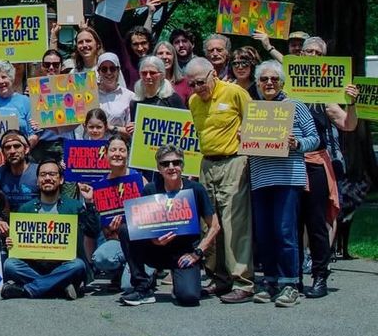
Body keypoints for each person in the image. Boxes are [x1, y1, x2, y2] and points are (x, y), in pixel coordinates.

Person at [248, 61, 319, 307]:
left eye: (274, 79)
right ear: (257, 83)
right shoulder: (253, 110)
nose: (269, 83)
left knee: (285, 232)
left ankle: (290, 284)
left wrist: (297, 144)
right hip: (260, 178)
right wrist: (243, 138)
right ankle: (270, 281)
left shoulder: (295, 105)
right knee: (264, 233)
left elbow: (314, 138)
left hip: (288, 178)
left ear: (282, 82)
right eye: (264, 79)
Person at [185, 56, 253, 303]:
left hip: (234, 160)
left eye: (200, 82)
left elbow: (255, 122)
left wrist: (246, 134)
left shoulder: (235, 93)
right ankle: (218, 277)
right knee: (209, 222)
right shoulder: (193, 101)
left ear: (213, 74)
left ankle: (243, 281)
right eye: (191, 84)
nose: (197, 88)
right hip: (207, 163)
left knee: (234, 222)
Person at [118, 145, 221, 306]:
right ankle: (142, 287)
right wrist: (153, 240)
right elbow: (138, 226)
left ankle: (179, 281)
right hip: (155, 249)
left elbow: (215, 226)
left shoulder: (196, 189)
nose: (171, 167)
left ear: (182, 165)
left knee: (189, 297)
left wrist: (197, 253)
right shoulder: (150, 189)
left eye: (176, 162)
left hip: (184, 254)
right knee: (126, 229)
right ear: (159, 168)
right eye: (165, 164)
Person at [298, 36, 359, 298]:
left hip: (315, 163)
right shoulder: (285, 87)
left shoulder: (327, 96)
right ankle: (291, 277)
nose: (312, 56)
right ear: (300, 55)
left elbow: (348, 124)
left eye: (318, 53)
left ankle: (320, 276)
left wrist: (351, 103)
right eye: (308, 51)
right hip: (287, 164)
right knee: (291, 222)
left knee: (316, 222)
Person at [0, 160, 100, 300]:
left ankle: (27, 290)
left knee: (78, 265)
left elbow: (93, 231)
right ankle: (59, 287)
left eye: (52, 174)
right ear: (37, 181)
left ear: (61, 180)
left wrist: (89, 202)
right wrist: (12, 243)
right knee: (10, 264)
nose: (47, 178)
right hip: (35, 266)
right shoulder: (26, 209)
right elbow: (20, 245)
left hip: (65, 265)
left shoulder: (74, 206)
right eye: (43, 175)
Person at [91, 135, 146, 290]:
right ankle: (119, 269)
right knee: (101, 258)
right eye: (113, 150)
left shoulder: (140, 180)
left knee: (129, 287)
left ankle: (148, 270)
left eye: (122, 150)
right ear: (106, 154)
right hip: (117, 242)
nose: (117, 154)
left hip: (141, 243)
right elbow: (104, 230)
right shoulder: (100, 185)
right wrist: (112, 231)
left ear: (128, 154)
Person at [0, 130, 38, 228]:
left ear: (26, 150)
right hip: (9, 232)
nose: (12, 151)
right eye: (7, 148)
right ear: (3, 153)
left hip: (36, 228)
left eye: (17, 146)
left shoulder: (39, 172)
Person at [0, 60, 39, 149]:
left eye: (4, 77)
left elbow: (34, 134)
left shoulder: (26, 101)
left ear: (11, 78)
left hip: (20, 155)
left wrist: (26, 148)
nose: (1, 81)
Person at [127, 55, 186, 133]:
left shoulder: (172, 99)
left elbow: (185, 126)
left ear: (162, 75)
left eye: (152, 73)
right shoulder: (135, 102)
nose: (148, 76)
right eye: (144, 73)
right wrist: (132, 128)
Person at [96, 52, 133, 134]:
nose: (108, 72)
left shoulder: (129, 96)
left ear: (118, 70)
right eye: (104, 69)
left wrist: (110, 128)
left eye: (112, 69)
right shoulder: (90, 95)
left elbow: (132, 131)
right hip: (92, 142)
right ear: (98, 71)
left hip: (118, 141)